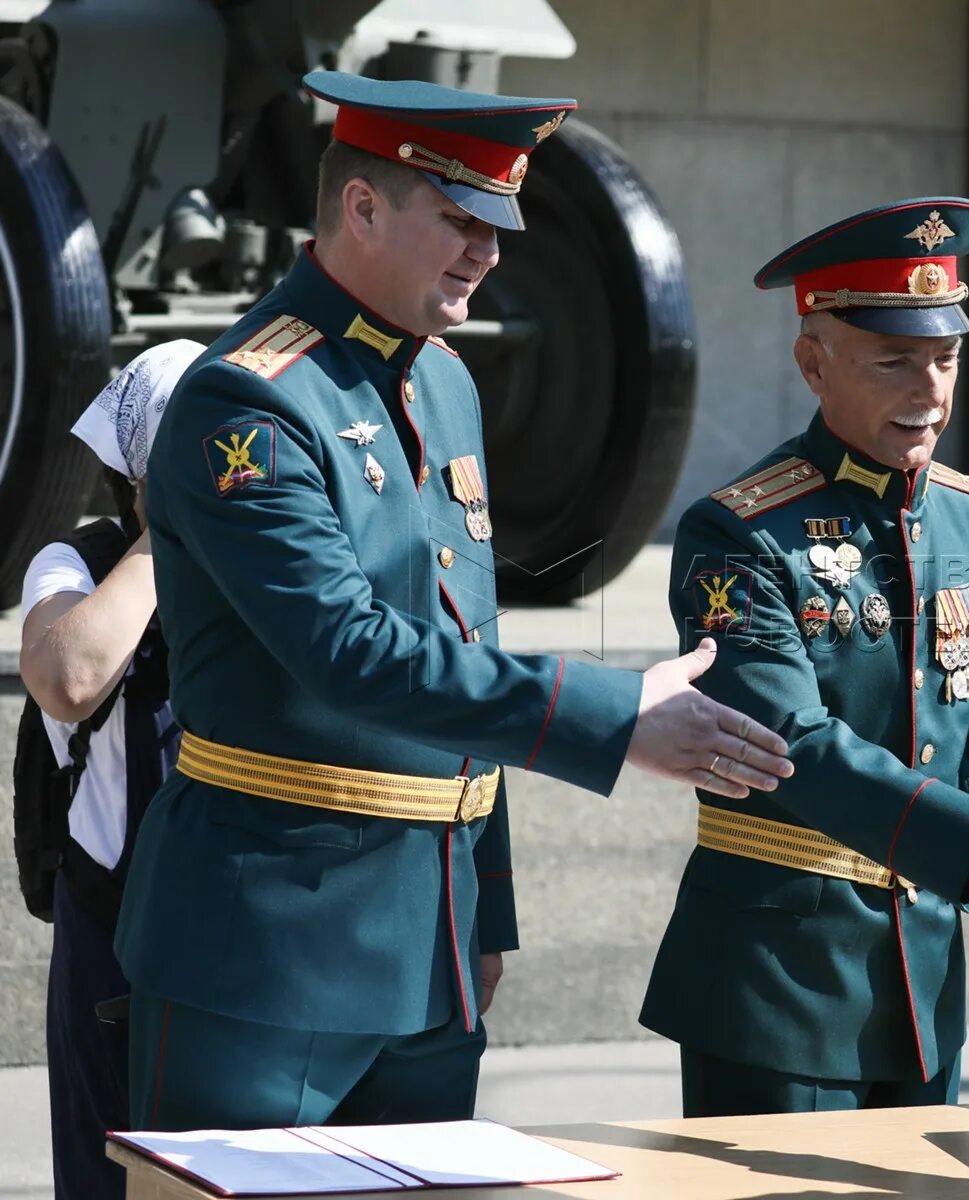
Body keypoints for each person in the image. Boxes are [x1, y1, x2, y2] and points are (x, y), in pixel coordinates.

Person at [113, 72, 792, 1132]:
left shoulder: (446, 383)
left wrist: (490, 903)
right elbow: (347, 651)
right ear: (363, 207)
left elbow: (465, 642)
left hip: (433, 950)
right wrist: (615, 718)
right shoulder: (246, 396)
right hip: (268, 953)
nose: (490, 248)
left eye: (498, 223)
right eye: (461, 217)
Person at [639, 197, 969, 1116]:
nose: (930, 391)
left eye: (946, 360)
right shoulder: (738, 532)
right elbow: (792, 748)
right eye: (894, 361)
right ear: (813, 363)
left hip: (923, 986)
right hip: (778, 989)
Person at [19, 341, 201, 1197]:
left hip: (248, 937)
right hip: (114, 940)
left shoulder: (283, 560)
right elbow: (69, 677)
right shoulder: (79, 565)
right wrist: (173, 524)